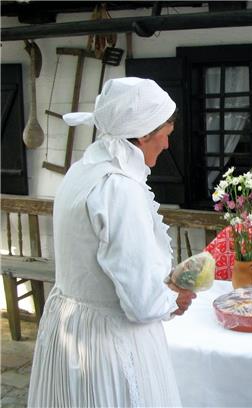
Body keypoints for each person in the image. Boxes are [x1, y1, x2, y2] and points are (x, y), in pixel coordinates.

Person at [28, 77, 194, 407]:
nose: (166, 145)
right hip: (106, 343)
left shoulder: (83, 171)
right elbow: (142, 302)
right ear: (144, 132)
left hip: (71, 326)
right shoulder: (119, 188)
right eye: (165, 135)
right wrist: (174, 298)